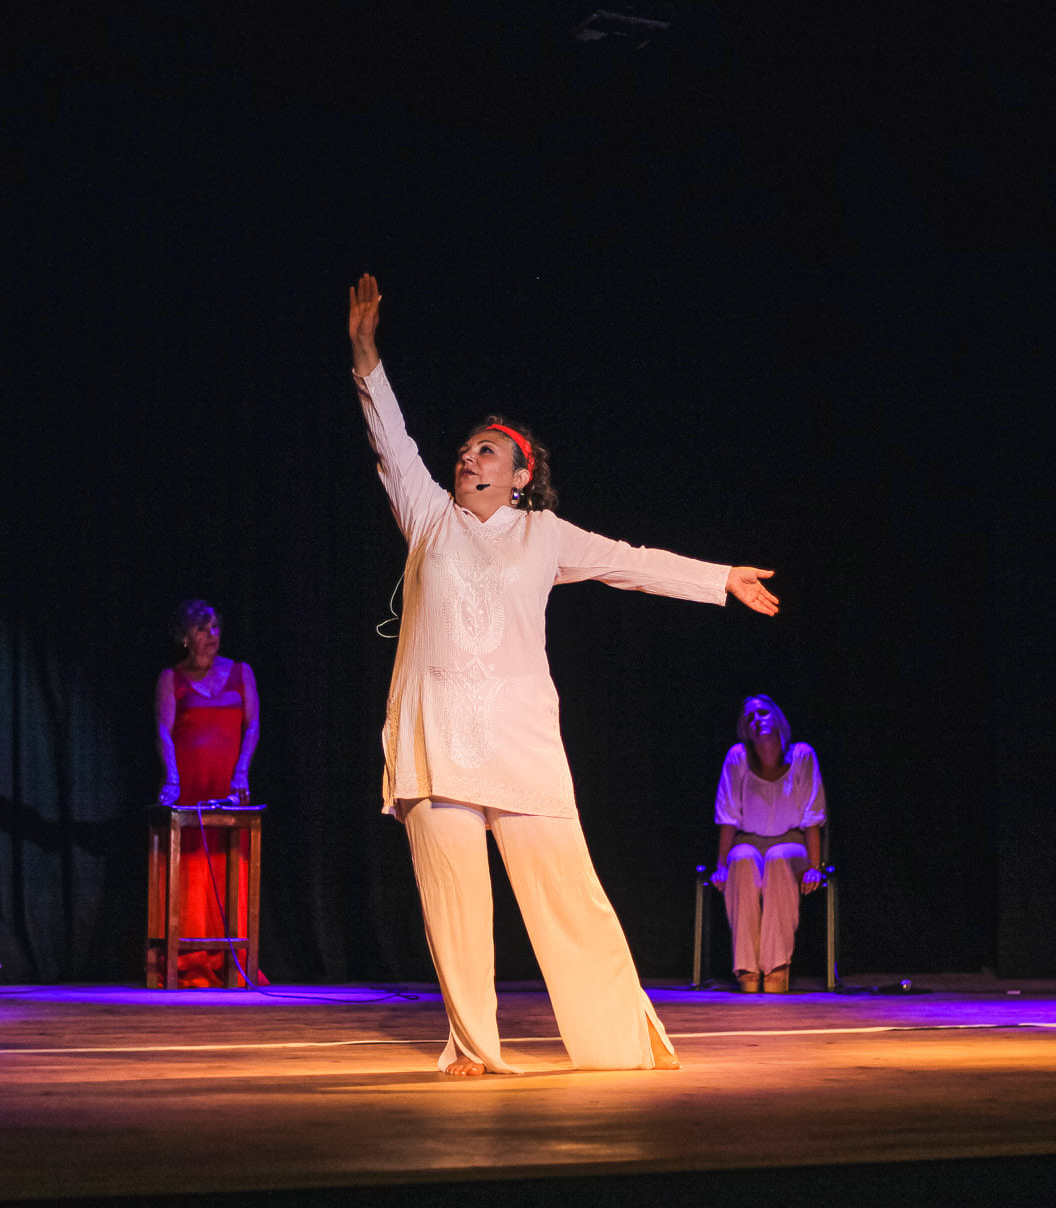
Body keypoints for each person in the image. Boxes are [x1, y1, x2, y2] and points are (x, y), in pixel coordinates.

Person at [348, 272, 781, 1075]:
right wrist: (366, 355)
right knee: (455, 905)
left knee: (569, 897)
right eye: (466, 448)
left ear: (520, 474)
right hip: (436, 739)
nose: (467, 456)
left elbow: (631, 562)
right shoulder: (428, 516)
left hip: (519, 742)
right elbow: (392, 442)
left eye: (486, 450)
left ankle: (621, 1041)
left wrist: (719, 577)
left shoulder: (542, 534)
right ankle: (474, 1047)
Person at [152, 600, 264, 987]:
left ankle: (230, 958)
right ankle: (191, 958)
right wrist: (172, 778)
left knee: (229, 865)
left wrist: (241, 773)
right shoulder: (171, 678)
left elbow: (252, 726)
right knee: (192, 869)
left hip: (229, 786)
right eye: (202, 629)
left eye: (215, 627)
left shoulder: (241, 672)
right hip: (190, 786)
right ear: (185, 637)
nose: (211, 635)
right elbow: (164, 730)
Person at [711, 695, 827, 993]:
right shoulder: (738, 757)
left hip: (792, 843)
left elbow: (812, 817)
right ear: (744, 729)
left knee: (777, 858)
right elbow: (728, 817)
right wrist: (721, 865)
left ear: (776, 717)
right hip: (748, 841)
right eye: (749, 718)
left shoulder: (802, 755)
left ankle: (776, 965)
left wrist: (815, 866)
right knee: (741, 859)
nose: (757, 720)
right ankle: (747, 967)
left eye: (762, 713)